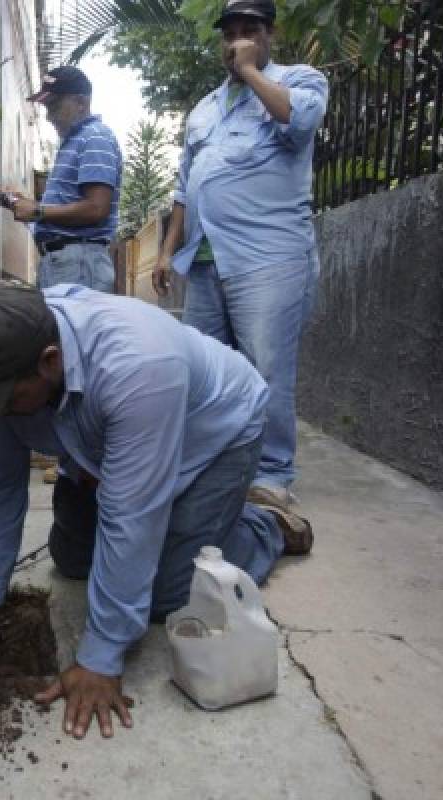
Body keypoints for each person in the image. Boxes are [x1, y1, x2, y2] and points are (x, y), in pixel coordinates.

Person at [0, 284, 311, 740]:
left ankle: (264, 523)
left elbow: (132, 516)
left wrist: (101, 654)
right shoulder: (5, 357)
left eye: (7, 401)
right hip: (114, 444)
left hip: (215, 434)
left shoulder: (138, 365)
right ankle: (188, 514)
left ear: (50, 362)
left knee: (165, 595)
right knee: (73, 561)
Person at [153, 0, 328, 512]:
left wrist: (250, 71)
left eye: (248, 30)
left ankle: (273, 474)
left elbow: (297, 121)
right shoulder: (205, 107)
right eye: (229, 33)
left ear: (269, 35)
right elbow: (186, 188)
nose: (235, 41)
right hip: (206, 262)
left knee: (266, 368)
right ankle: (216, 464)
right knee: (208, 369)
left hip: (270, 258)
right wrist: (167, 251)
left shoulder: (301, 80)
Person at [0, 65, 123, 293]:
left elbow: (96, 208)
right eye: (46, 108)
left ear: (81, 103)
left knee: (71, 330)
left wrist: (38, 211)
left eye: (54, 106)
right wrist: (22, 204)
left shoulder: (95, 138)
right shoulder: (76, 141)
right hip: (66, 263)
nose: (48, 117)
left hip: (79, 264)